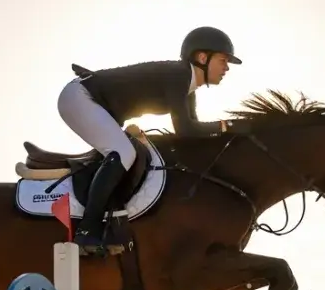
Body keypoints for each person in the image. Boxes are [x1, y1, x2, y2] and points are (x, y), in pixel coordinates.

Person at [57, 26, 247, 255]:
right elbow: (185, 128)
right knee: (123, 153)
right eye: (223, 60)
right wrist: (226, 126)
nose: (226, 68)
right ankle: (87, 231)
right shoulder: (179, 75)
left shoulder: (188, 88)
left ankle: (107, 224)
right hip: (80, 98)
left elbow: (190, 135)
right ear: (202, 57)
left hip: (90, 101)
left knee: (126, 152)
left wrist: (227, 136)